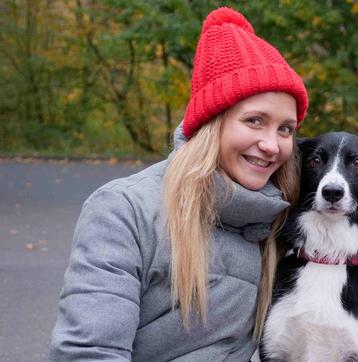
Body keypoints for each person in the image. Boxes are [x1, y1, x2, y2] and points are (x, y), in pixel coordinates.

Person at [48, 7, 308, 361]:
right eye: (254, 121)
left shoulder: (282, 220)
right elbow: (88, 352)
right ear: (210, 124)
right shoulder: (125, 211)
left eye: (285, 129)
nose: (272, 144)